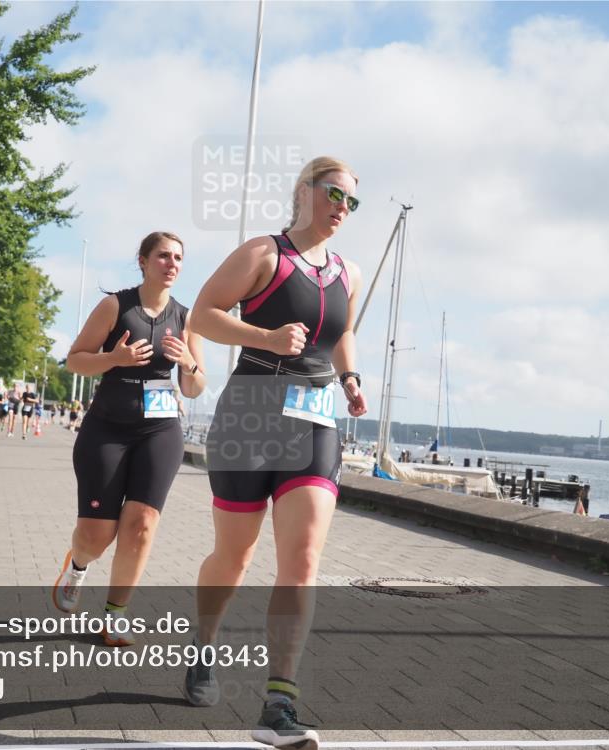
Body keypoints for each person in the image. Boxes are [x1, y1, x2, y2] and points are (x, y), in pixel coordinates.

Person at [182, 157, 368, 750]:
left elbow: (342, 332)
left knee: (303, 558)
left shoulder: (348, 272)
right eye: (334, 194)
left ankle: (279, 703)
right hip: (250, 413)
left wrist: (350, 377)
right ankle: (203, 647)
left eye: (351, 201)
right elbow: (203, 315)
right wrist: (265, 336)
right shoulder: (265, 253)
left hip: (313, 419)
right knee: (234, 556)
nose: (342, 208)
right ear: (305, 191)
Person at [53, 231, 206, 647]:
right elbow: (75, 360)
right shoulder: (115, 306)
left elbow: (195, 388)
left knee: (141, 524)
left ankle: (115, 615)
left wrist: (189, 363)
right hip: (107, 428)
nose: (172, 264)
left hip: (160, 429)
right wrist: (113, 359)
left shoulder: (186, 318)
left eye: (178, 258)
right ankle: (77, 566)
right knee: (95, 536)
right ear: (143, 261)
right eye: (163, 256)